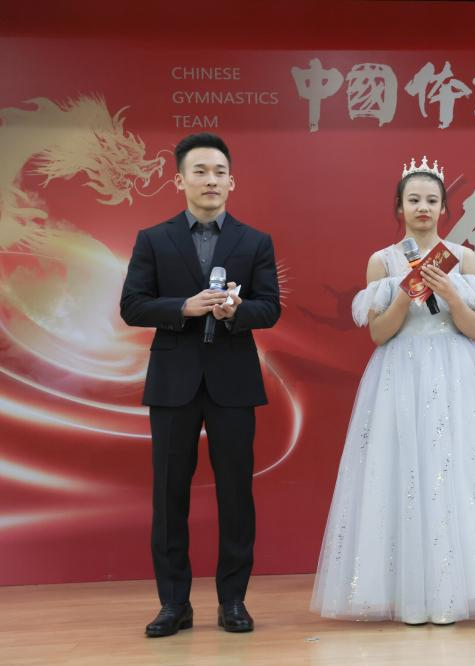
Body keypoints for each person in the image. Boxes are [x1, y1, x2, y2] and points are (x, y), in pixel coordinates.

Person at [311, 157, 475, 625]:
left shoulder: (463, 258)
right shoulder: (382, 261)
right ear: (399, 207)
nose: (423, 208)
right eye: (414, 200)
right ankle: (410, 597)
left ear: (444, 208)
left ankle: (455, 592)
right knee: (404, 475)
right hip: (400, 374)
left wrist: (450, 293)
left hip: (456, 373)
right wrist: (405, 293)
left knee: (457, 472)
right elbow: (378, 334)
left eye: (432, 200)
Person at [120, 133, 281, 636]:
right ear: (180, 180)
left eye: (219, 172)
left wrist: (236, 312)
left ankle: (233, 601)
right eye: (200, 171)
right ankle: (174, 604)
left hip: (234, 381)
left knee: (236, 495)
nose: (210, 180)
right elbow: (132, 305)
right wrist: (183, 308)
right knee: (169, 496)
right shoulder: (154, 238)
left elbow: (270, 308)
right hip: (173, 382)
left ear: (232, 182)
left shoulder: (255, 241)